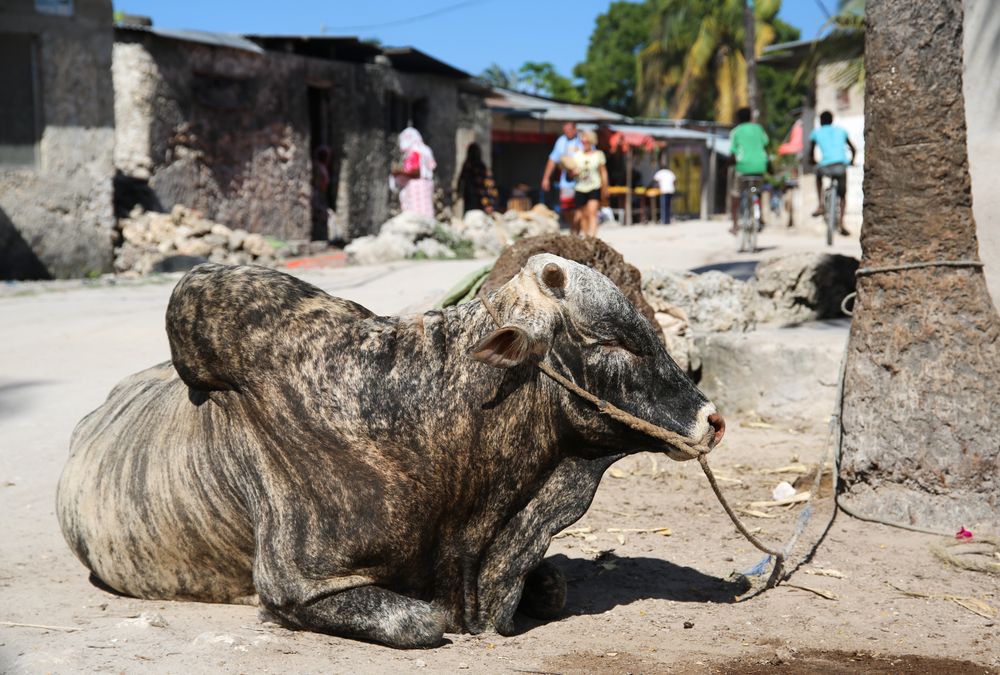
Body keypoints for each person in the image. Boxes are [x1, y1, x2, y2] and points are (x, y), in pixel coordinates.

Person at [809, 110, 857, 236]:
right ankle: (842, 223)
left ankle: (820, 205)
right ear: (832, 120)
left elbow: (810, 151)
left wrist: (812, 161)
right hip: (841, 165)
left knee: (818, 175)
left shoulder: (816, 132)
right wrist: (852, 161)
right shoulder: (841, 131)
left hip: (825, 166)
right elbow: (853, 149)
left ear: (820, 121)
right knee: (843, 195)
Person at [729, 107, 770, 234]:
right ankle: (759, 215)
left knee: (736, 194)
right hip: (759, 168)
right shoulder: (759, 129)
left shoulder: (736, 131)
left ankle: (735, 225)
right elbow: (765, 143)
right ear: (751, 117)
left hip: (743, 168)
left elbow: (732, 152)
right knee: (756, 191)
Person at [541, 121, 584, 234]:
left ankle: (577, 231)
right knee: (566, 209)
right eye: (565, 131)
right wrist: (546, 178)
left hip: (582, 182)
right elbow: (552, 160)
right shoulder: (561, 141)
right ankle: (573, 229)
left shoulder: (583, 140)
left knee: (579, 209)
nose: (567, 133)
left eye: (569, 131)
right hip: (566, 183)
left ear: (575, 130)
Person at [570, 129, 608, 238]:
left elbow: (603, 172)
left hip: (594, 186)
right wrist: (573, 172)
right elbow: (570, 173)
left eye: (586, 142)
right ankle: (586, 235)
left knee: (592, 213)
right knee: (582, 215)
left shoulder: (598, 154)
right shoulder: (577, 155)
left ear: (591, 142)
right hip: (580, 187)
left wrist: (605, 187)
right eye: (582, 142)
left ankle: (593, 237)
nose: (584, 144)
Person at [392, 127, 437, 219]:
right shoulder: (424, 149)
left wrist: (398, 172)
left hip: (417, 188)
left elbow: (416, 172)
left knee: (417, 218)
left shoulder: (415, 151)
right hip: (426, 185)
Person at [456, 142, 498, 214]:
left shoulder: (475, 165)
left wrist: (459, 190)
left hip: (475, 193)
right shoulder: (472, 165)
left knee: (473, 211)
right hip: (473, 192)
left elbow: (461, 178)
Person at [311, 145, 332, 241]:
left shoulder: (321, 167)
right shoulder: (318, 167)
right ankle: (318, 238)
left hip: (320, 194)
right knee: (320, 215)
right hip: (317, 194)